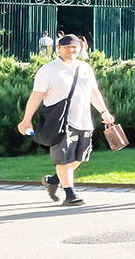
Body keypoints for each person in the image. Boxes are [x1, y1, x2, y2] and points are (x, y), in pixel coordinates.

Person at [18, 34, 116, 208]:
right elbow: (36, 96)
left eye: (75, 47)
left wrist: (104, 111)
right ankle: (70, 194)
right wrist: (26, 120)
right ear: (58, 48)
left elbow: (94, 92)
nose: (71, 50)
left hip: (84, 120)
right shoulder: (47, 70)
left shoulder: (85, 68)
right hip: (60, 121)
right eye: (67, 47)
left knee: (79, 157)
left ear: (80, 49)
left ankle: (54, 180)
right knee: (62, 158)